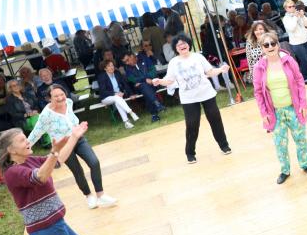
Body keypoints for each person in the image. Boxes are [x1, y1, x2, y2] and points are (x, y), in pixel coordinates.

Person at [28, 84, 117, 209]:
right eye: (56, 96)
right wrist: (25, 148)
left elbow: (70, 118)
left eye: (62, 94)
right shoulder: (46, 115)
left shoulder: (68, 102)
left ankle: (100, 195)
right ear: (49, 98)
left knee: (94, 162)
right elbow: (36, 133)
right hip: (63, 146)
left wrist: (78, 126)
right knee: (77, 171)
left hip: (78, 138)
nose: (60, 98)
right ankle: (89, 196)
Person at [154, 34, 231, 164]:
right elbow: (170, 80)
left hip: (206, 93)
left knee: (215, 119)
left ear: (189, 44)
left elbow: (209, 72)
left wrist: (221, 70)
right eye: (179, 45)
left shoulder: (198, 57)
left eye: (184, 43)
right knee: (192, 124)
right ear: (176, 48)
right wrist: (160, 81)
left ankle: (224, 145)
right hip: (188, 98)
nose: (182, 46)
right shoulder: (174, 62)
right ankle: (190, 153)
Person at [252, 30, 307, 185]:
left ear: (277, 44)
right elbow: (258, 92)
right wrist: (264, 113)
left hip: (293, 108)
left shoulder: (288, 60)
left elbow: (300, 82)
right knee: (280, 143)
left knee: (300, 139)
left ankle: (305, 164)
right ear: (262, 48)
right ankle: (285, 170)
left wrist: (303, 104)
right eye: (266, 45)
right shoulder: (259, 67)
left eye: (273, 43)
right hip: (275, 112)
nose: (270, 47)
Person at [282, 0, 307, 85]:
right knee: (304, 60)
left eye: (293, 6)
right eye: (290, 6)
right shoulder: (286, 18)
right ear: (286, 8)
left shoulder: (298, 14)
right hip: (296, 43)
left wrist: (303, 16)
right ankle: (305, 77)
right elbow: (291, 28)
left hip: (306, 39)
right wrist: (296, 17)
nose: (292, 8)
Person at [96, 60, 139, 129]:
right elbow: (103, 91)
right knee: (117, 98)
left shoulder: (117, 73)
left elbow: (125, 85)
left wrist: (131, 94)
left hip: (118, 97)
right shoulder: (102, 77)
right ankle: (131, 112)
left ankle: (126, 122)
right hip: (106, 98)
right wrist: (115, 93)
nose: (111, 67)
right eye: (109, 66)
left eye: (112, 65)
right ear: (105, 68)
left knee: (117, 100)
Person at [123, 53, 164, 122]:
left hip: (153, 83)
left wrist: (144, 80)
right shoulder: (128, 68)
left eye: (128, 60)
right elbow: (132, 79)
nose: (127, 63)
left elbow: (154, 71)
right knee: (144, 86)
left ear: (133, 56)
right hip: (140, 89)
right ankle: (157, 103)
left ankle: (154, 114)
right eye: (125, 62)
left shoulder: (145, 59)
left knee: (146, 89)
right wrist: (145, 80)